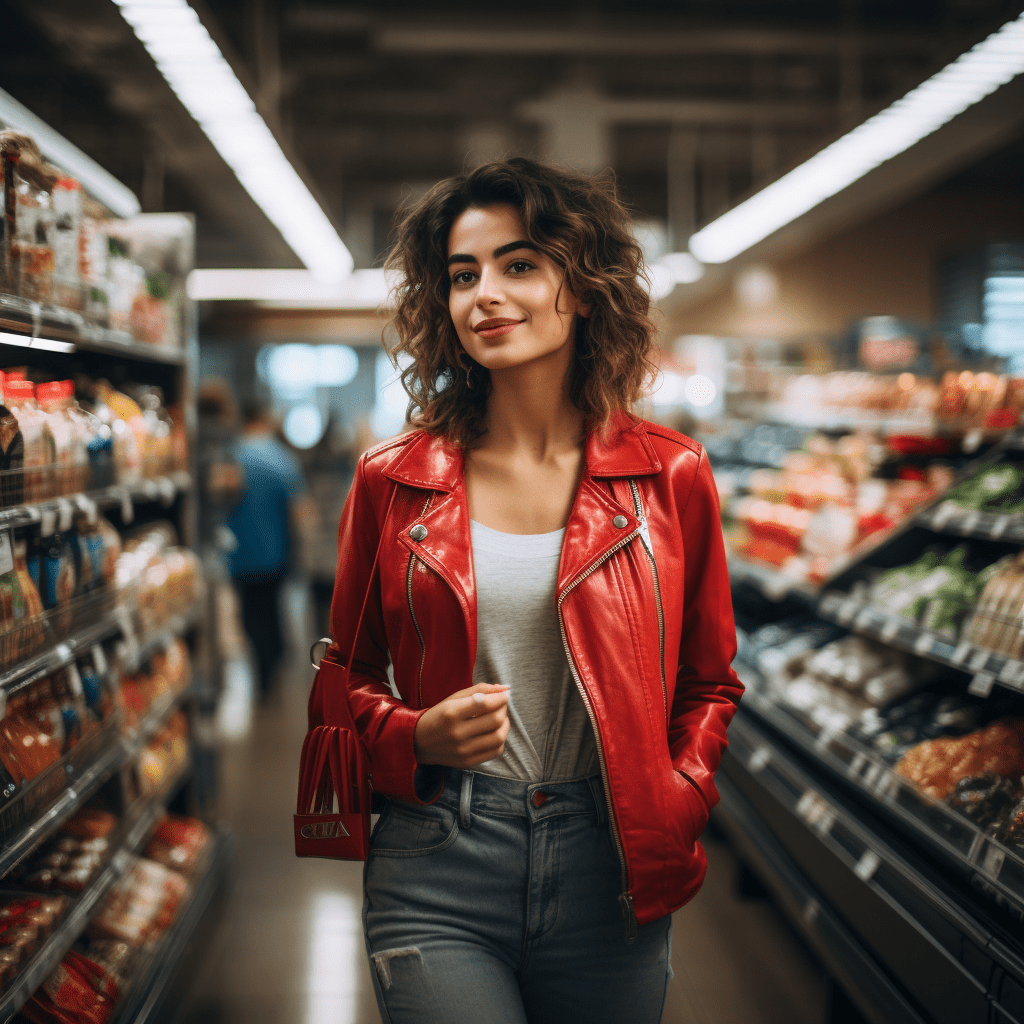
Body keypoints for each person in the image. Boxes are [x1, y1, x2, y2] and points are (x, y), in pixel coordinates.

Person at [327, 158, 744, 1024]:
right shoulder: (392, 480)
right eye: (462, 274)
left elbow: (710, 682)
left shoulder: (670, 477)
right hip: (438, 857)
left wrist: (682, 791)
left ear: (584, 288)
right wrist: (414, 734)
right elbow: (345, 681)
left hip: (613, 859)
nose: (486, 294)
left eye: (519, 265)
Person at [227, 398, 315, 701]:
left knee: (249, 614)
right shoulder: (281, 458)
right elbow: (300, 509)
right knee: (271, 610)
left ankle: (264, 666)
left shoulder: (233, 455)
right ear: (264, 418)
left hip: (239, 553)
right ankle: (273, 662)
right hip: (274, 551)